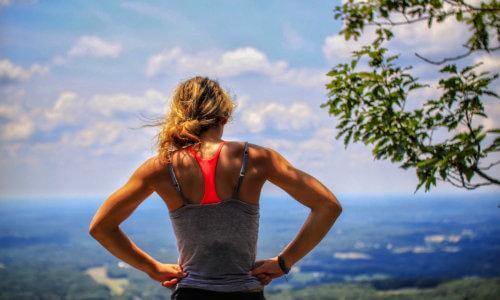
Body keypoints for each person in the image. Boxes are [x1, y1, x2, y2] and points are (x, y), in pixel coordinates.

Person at [89, 76, 343, 300]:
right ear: (224, 117)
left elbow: (101, 227)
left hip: (190, 294)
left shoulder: (161, 167)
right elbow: (327, 206)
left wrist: (152, 268)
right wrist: (284, 262)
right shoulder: (255, 158)